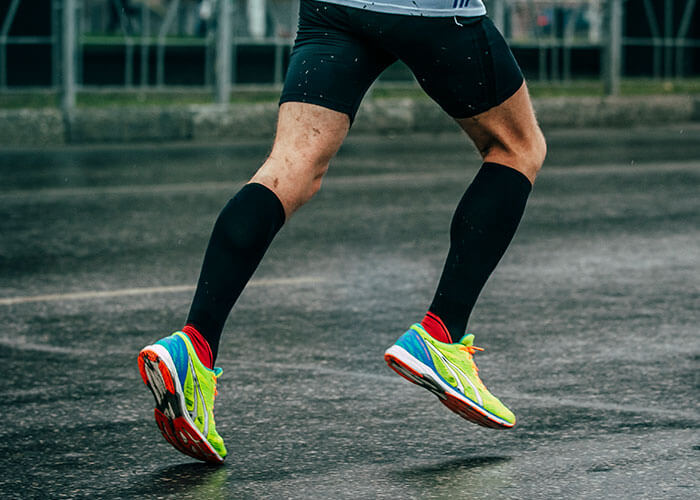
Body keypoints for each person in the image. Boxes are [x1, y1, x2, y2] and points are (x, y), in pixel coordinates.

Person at [137, 0, 546, 464]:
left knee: (290, 166)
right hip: (428, 9)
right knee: (517, 146)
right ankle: (442, 335)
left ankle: (195, 344)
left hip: (332, 7)